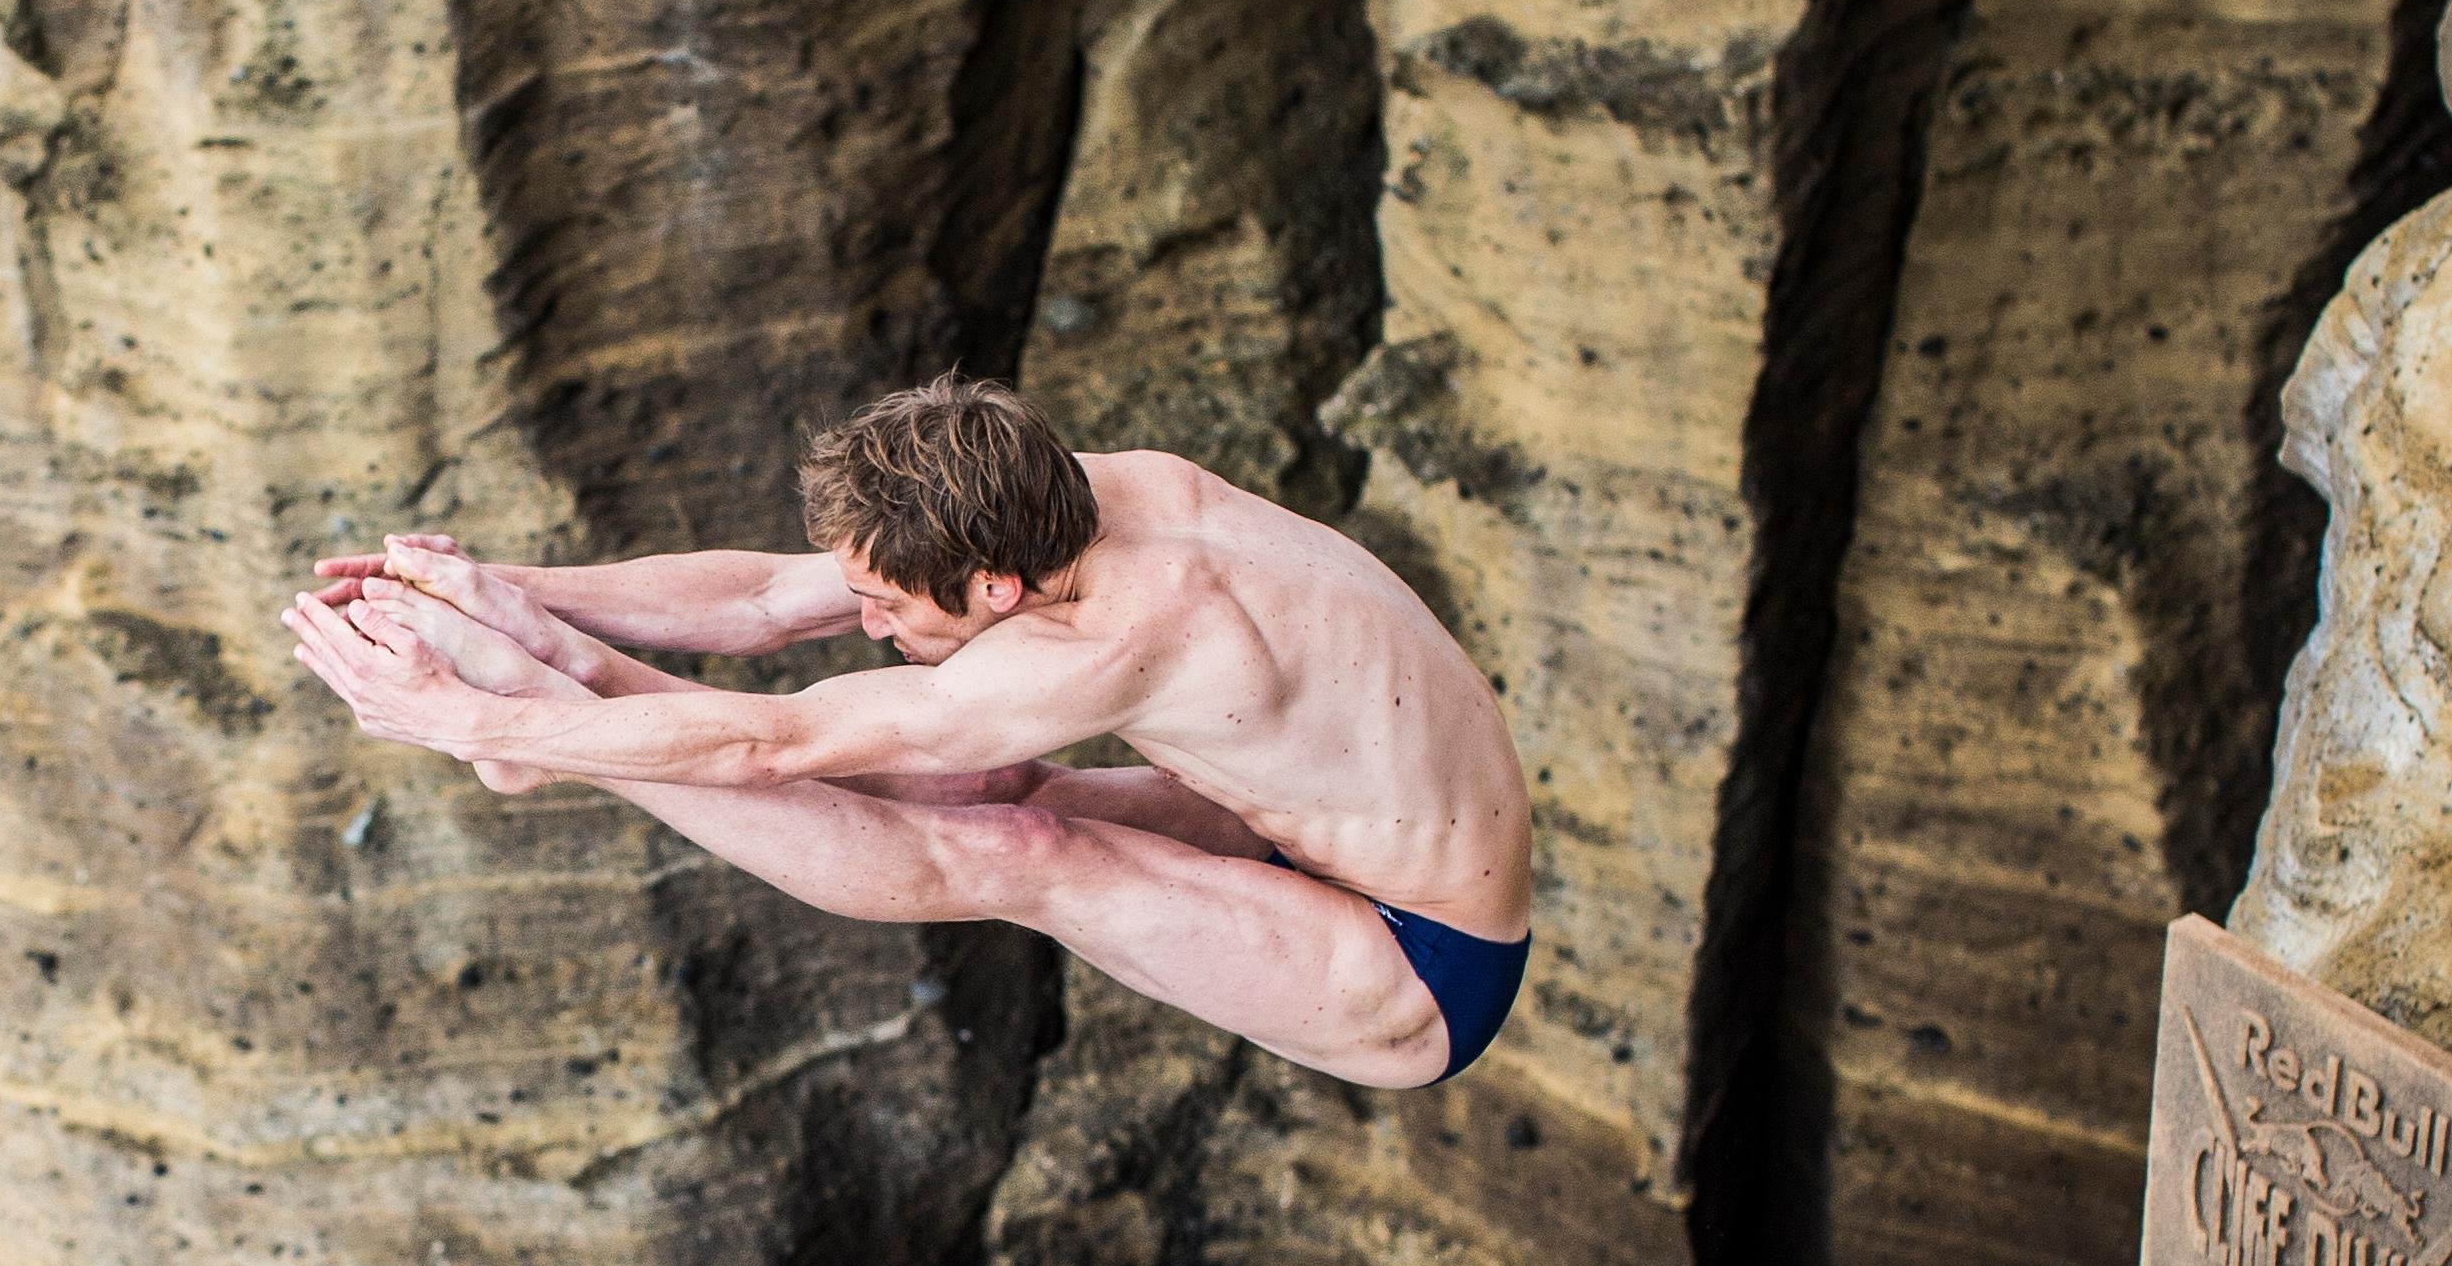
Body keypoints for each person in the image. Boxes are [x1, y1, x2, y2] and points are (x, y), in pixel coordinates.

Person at [280, 377, 1533, 1088]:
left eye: (882, 603)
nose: (866, 622)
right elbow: (767, 601)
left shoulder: (1124, 640)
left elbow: (770, 746)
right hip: (1297, 826)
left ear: (992, 589)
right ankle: (549, 685)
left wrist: (463, 714)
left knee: (1020, 848)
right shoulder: (1081, 500)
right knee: (984, 775)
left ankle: (541, 717)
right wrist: (518, 589)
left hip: (1416, 965)